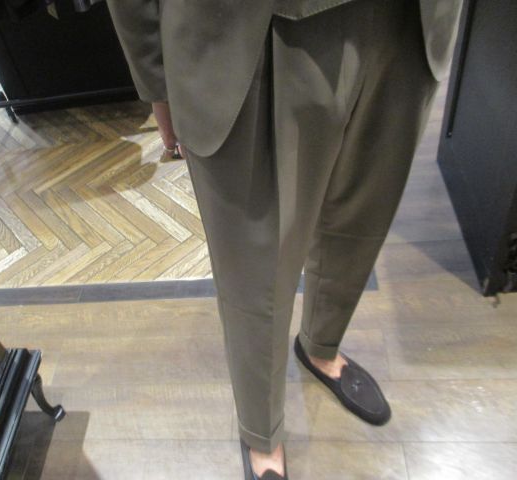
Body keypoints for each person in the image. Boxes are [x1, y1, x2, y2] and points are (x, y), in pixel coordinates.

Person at [106, 1, 463, 478]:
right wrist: (155, 76)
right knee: (256, 265)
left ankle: (321, 344)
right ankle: (262, 429)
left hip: (410, 18)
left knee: (363, 211)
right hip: (247, 30)